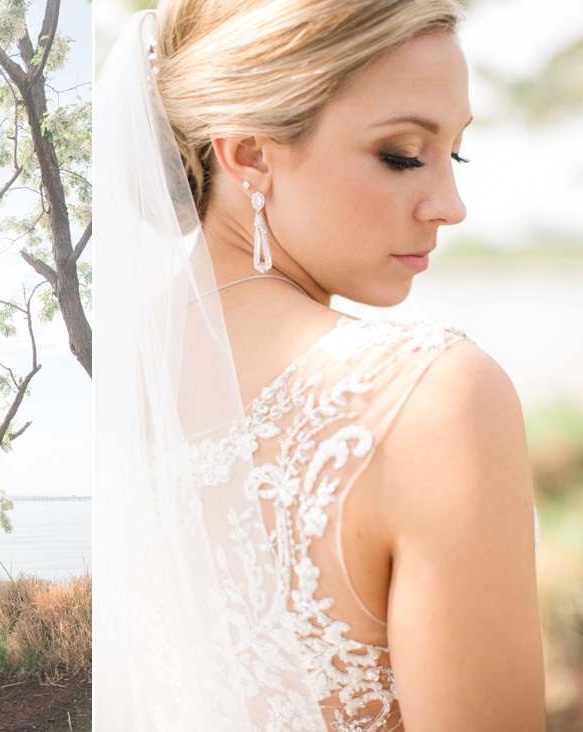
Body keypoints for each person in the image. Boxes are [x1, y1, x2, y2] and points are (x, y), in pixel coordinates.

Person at [93, 1, 545, 730]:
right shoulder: (433, 397)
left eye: (454, 153)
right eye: (402, 153)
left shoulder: (109, 372)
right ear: (248, 152)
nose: (451, 204)